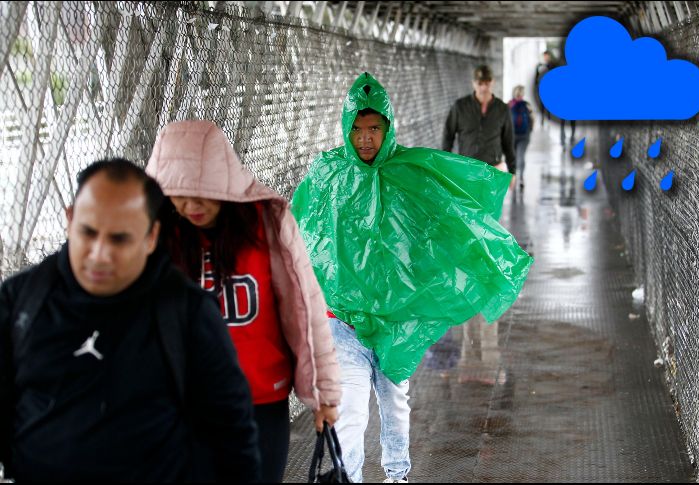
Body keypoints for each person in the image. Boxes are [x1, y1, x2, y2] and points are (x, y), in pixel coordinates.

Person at [292, 72, 533, 483]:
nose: (365, 138)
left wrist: (479, 256)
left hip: (396, 322)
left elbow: (446, 218)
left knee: (394, 403)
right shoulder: (328, 174)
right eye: (357, 129)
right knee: (350, 412)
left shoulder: (410, 173)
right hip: (342, 322)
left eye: (374, 129)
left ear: (387, 128)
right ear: (345, 128)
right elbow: (302, 231)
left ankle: (396, 473)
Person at [0, 159, 260, 482]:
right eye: (88, 232)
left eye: (119, 239)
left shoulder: (186, 312)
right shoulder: (20, 301)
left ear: (151, 237)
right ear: (69, 220)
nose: (99, 253)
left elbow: (232, 437)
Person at [145, 120, 341, 483]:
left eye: (201, 191)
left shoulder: (265, 222)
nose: (191, 205)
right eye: (178, 193)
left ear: (223, 178)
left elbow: (306, 309)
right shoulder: (158, 236)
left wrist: (324, 392)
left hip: (260, 404)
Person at [442, 64, 516, 188]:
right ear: (473, 83)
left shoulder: (502, 109)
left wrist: (513, 172)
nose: (483, 87)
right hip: (466, 170)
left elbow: (508, 141)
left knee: (490, 207)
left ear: (492, 82)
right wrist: (444, 168)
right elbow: (448, 136)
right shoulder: (460, 107)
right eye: (480, 83)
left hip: (493, 170)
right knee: (467, 206)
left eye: (487, 83)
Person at [508, 85, 534, 191]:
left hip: (517, 136)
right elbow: (532, 120)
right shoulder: (526, 105)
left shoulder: (510, 105)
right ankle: (518, 177)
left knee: (516, 157)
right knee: (517, 157)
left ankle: (517, 177)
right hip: (519, 135)